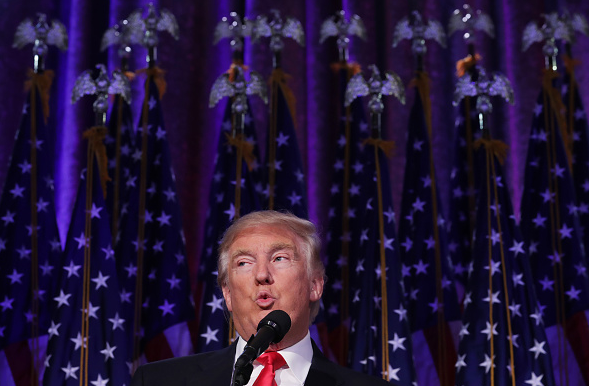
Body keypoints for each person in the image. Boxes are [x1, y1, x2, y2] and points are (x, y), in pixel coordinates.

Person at [131, 210, 393, 386]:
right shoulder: (158, 380)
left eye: (280, 258)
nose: (261, 275)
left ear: (315, 285)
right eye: (244, 262)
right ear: (228, 294)